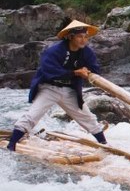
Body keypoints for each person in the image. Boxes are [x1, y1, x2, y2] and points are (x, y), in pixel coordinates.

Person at [6, 20, 107, 151]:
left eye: (85, 37)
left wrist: (88, 71)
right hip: (49, 88)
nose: (84, 40)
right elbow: (50, 72)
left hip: (70, 90)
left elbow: (95, 69)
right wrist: (76, 72)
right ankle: (11, 145)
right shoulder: (54, 51)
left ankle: (104, 144)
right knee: (32, 116)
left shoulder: (86, 52)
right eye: (80, 36)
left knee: (88, 118)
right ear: (70, 37)